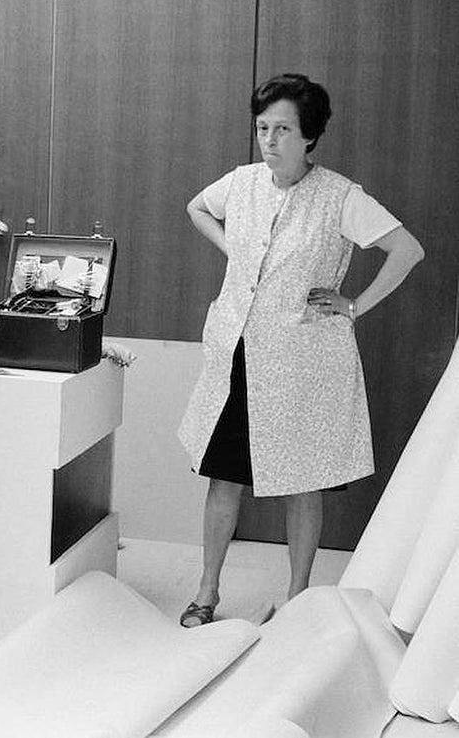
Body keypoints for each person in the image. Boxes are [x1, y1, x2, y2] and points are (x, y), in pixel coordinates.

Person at [177, 74, 424, 627]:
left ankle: (296, 598)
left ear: (308, 135)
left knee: (302, 479)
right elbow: (197, 207)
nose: (269, 139)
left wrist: (355, 304)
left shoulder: (340, 195)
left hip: (304, 360)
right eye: (263, 127)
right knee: (224, 475)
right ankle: (205, 592)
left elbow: (406, 250)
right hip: (239, 352)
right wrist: (236, 255)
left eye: (282, 129)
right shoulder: (241, 183)